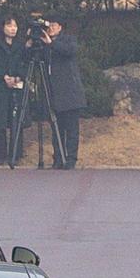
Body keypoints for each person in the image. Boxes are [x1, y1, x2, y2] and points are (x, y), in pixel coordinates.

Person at [41, 19, 85, 170]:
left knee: (71, 128)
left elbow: (69, 51)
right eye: (49, 26)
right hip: (53, 93)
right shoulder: (44, 44)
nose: (50, 29)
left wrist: (51, 43)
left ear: (60, 27)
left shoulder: (68, 39)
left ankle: (71, 159)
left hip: (70, 92)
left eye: (54, 26)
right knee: (56, 128)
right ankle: (58, 158)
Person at [0, 13, 28, 166]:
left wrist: (17, 77)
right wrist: (4, 76)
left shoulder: (21, 45)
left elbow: (25, 64)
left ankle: (16, 153)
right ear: (3, 27)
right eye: (9, 26)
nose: (12, 29)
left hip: (16, 86)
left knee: (16, 120)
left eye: (15, 26)